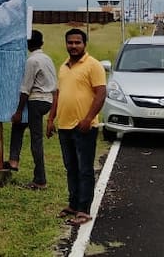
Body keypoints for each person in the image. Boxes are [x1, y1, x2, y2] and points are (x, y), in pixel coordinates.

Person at [46, 28, 107, 226]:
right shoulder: (63, 67)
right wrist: (50, 119)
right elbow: (58, 94)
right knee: (70, 168)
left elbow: (101, 94)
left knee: (84, 169)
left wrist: (88, 118)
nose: (73, 46)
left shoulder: (93, 65)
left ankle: (83, 209)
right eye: (70, 43)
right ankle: (72, 205)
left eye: (77, 43)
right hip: (64, 126)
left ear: (84, 44)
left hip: (84, 128)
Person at [5, 29, 57, 190]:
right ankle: (13, 160)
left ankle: (40, 179)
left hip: (36, 101)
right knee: (18, 128)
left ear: (26, 44)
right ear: (41, 43)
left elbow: (25, 88)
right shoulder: (46, 58)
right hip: (47, 100)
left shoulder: (32, 61)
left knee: (36, 140)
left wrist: (19, 111)